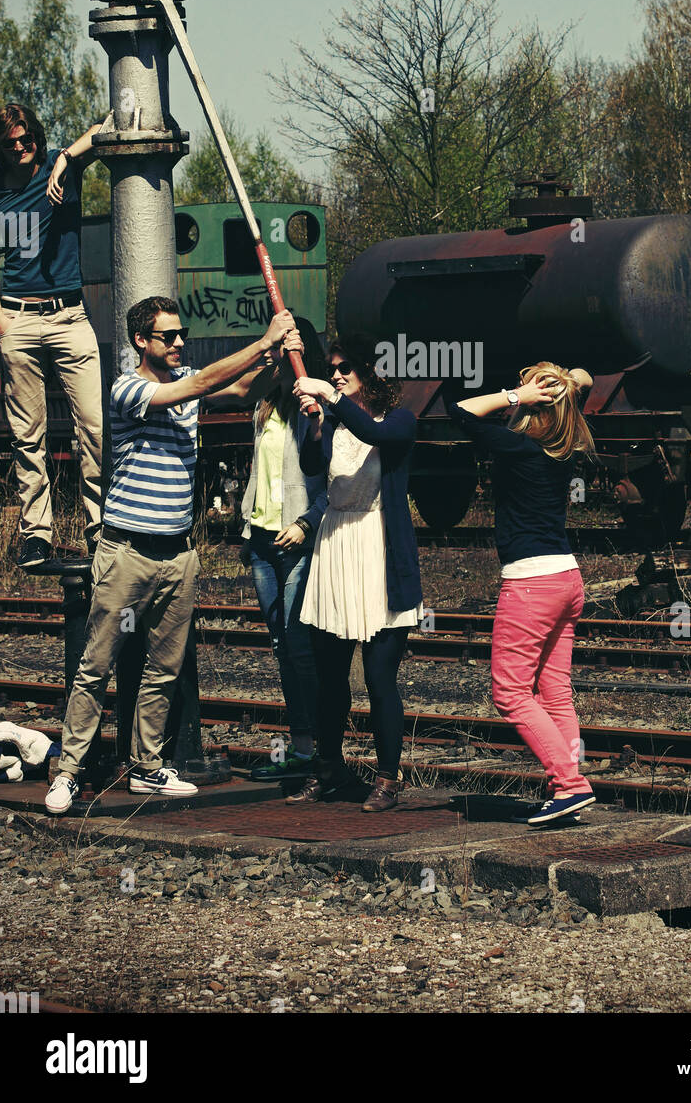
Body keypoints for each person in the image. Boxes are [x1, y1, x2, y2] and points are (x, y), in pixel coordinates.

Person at [45, 296, 294, 814]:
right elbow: (197, 388)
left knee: (164, 668)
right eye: (168, 336)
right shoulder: (130, 388)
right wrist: (264, 341)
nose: (180, 342)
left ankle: (147, 767)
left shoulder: (188, 380)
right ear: (141, 340)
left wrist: (278, 360)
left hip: (178, 554)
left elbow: (242, 390)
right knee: (96, 664)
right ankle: (67, 772)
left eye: (182, 334)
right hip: (127, 551)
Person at [450, 363, 597, 826]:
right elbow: (584, 377)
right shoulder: (565, 444)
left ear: (537, 403)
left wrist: (516, 394)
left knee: (510, 692)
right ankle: (566, 789)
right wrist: (557, 385)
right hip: (567, 579)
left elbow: (461, 412)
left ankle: (570, 784)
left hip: (531, 582)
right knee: (555, 693)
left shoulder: (518, 447)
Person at [288, 337, 422, 812]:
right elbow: (309, 466)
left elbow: (376, 435)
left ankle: (388, 777)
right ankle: (327, 770)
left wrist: (331, 396)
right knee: (329, 678)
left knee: (380, 676)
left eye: (347, 368)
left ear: (370, 372)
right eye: (333, 368)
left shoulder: (399, 420)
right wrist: (314, 425)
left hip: (379, 550)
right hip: (334, 546)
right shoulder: (337, 420)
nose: (338, 374)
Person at [0, 104, 104, 567]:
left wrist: (65, 158)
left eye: (28, 139)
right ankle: (36, 534)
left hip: (69, 317)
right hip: (17, 321)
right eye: (11, 143)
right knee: (28, 437)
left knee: (95, 429)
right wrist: (0, 321)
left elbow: (106, 127)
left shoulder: (61, 168)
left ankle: (101, 528)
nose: (22, 148)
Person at [234, 317, 327, 780]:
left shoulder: (317, 403)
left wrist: (307, 524)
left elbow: (335, 478)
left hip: (298, 541)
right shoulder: (267, 401)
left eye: (284, 347)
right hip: (263, 541)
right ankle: (303, 748)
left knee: (299, 645)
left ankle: (321, 753)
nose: (274, 354)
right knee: (281, 648)